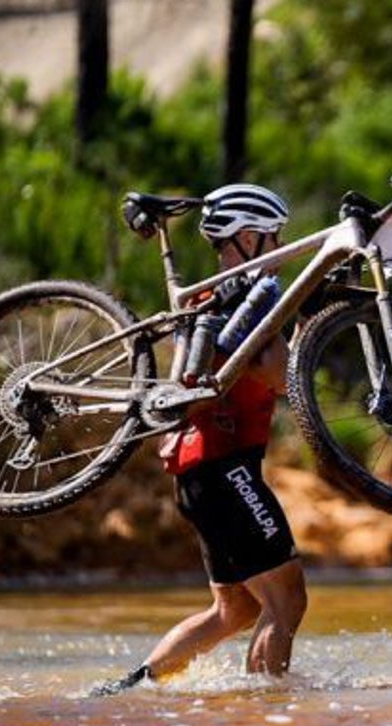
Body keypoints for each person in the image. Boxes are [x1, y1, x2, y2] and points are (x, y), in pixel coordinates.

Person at [93, 184, 307, 695]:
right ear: (248, 236)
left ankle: (131, 690)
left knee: (235, 609)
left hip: (201, 473)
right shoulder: (245, 307)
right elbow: (276, 375)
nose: (279, 246)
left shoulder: (217, 301)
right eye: (273, 236)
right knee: (286, 602)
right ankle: (265, 710)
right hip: (223, 465)